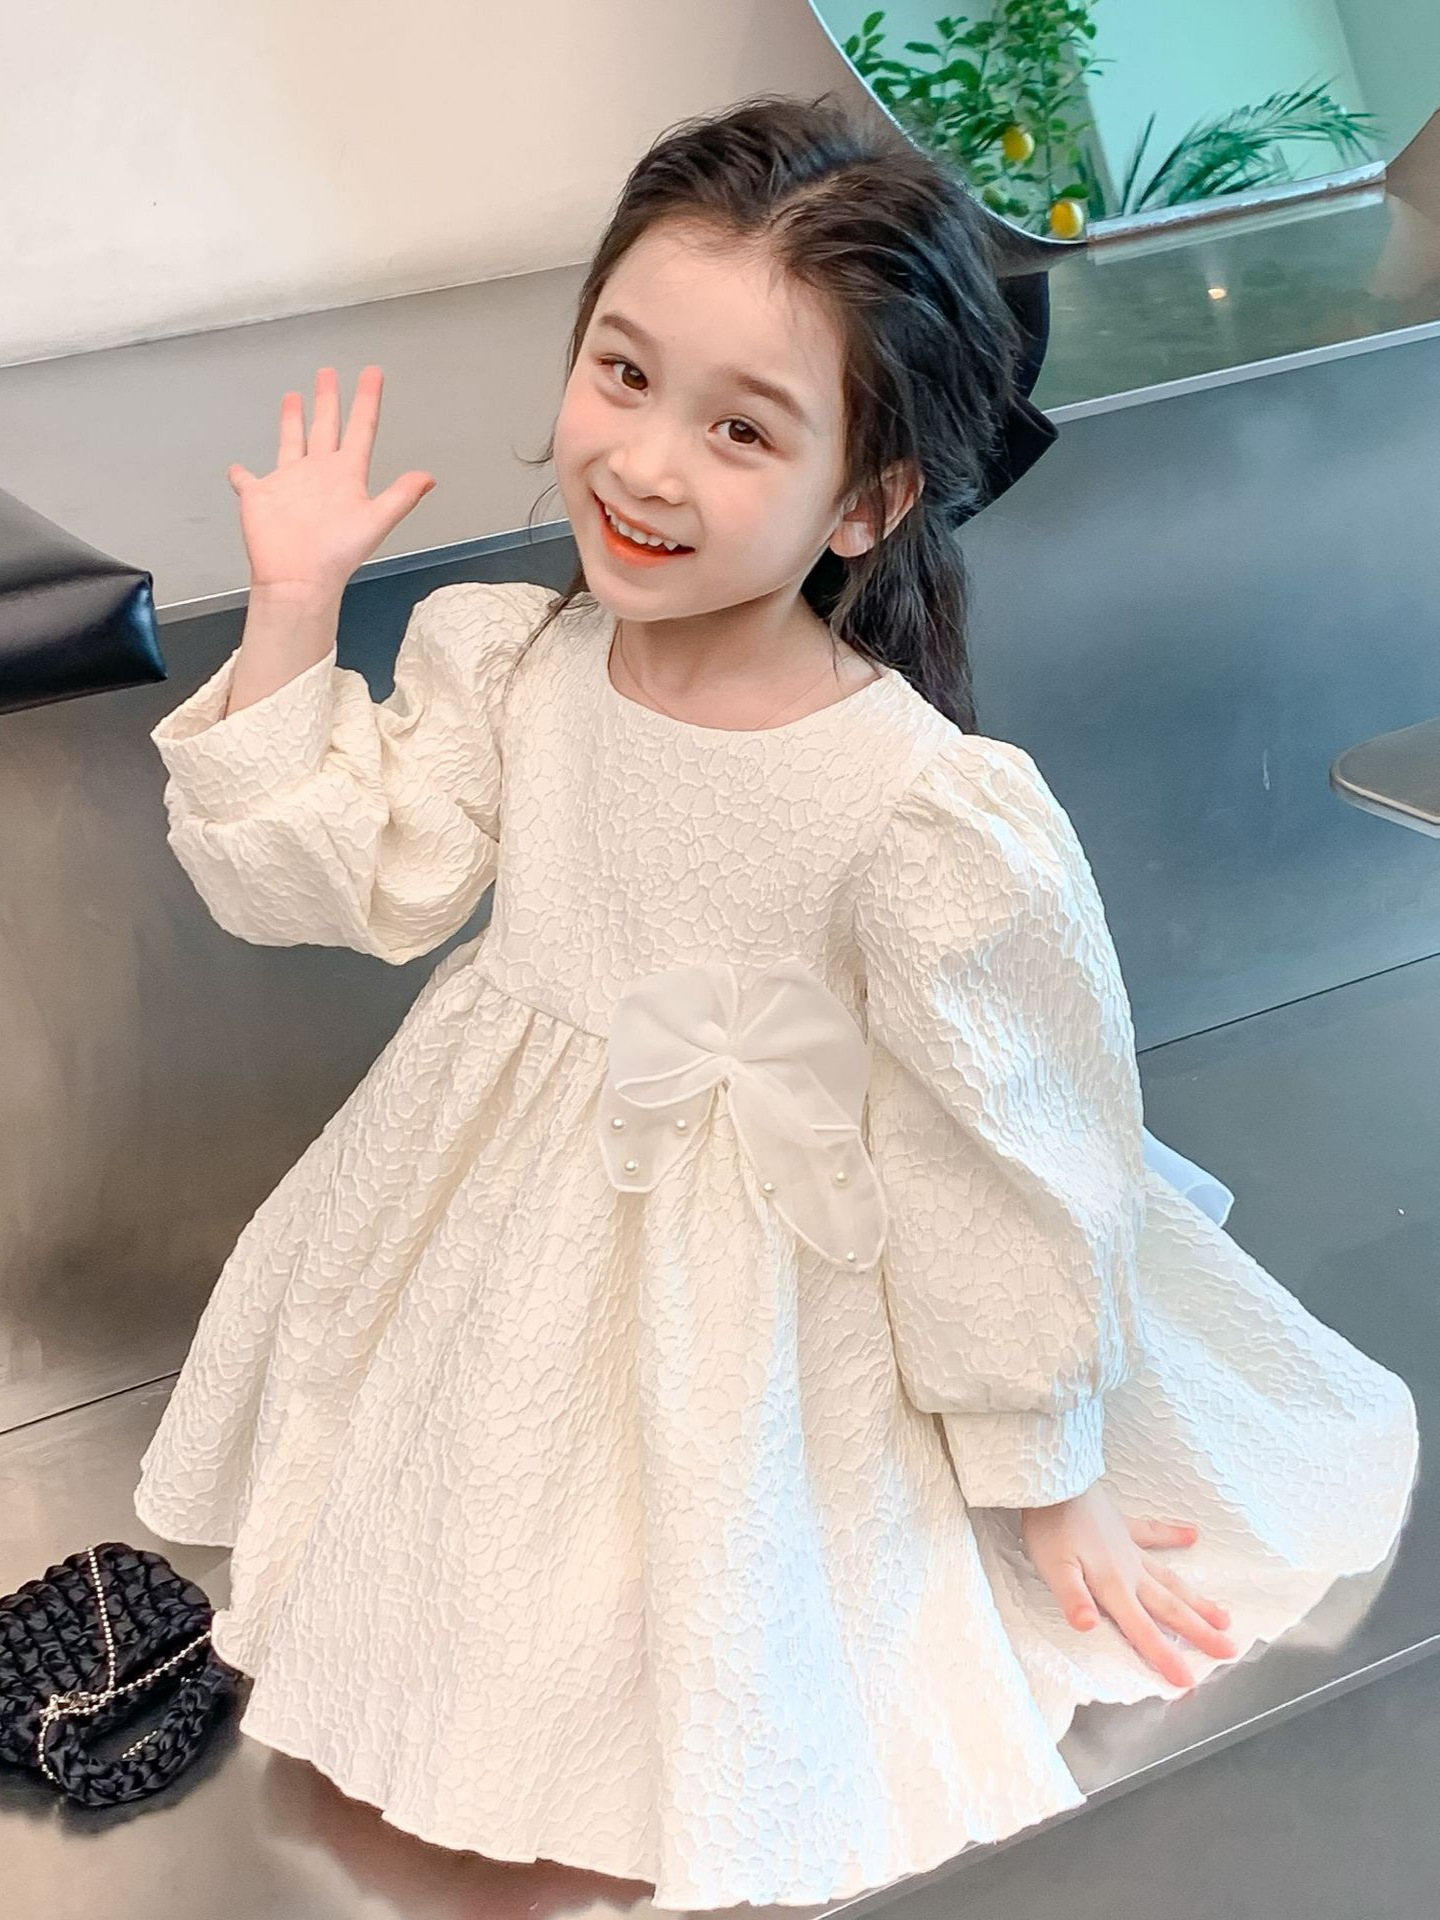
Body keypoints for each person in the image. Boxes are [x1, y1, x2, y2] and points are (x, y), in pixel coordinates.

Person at [134, 92, 1420, 1910]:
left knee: (740, 1579)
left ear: (869, 501)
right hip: (510, 1229)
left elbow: (1008, 1154)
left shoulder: (920, 810)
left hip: (798, 1274)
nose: (646, 464)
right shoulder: (517, 663)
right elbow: (334, 881)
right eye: (623, 373)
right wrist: (290, 607)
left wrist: (1045, 1469)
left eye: (742, 427)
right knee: (512, 1531)